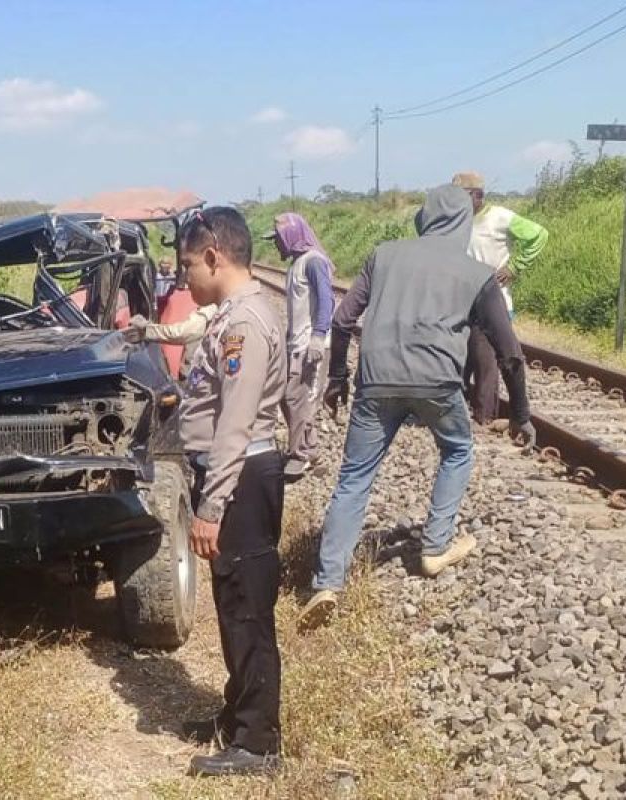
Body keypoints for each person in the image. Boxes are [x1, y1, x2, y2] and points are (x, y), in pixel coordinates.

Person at [298, 185, 536, 632]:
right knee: (458, 449)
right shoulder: (476, 272)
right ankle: (435, 547)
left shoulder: (384, 255)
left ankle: (328, 582)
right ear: (464, 223)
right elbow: (509, 353)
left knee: (354, 477)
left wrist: (337, 378)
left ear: (423, 219)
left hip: (376, 381)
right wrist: (520, 414)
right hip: (438, 385)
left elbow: (344, 319)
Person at [175, 208, 286, 777]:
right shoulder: (233, 316)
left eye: (189, 264)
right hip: (234, 474)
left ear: (214, 255)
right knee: (232, 603)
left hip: (241, 477)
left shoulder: (243, 324)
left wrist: (211, 506)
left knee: (247, 609)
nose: (186, 277)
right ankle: (238, 711)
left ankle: (259, 743)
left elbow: (235, 425)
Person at [452, 171, 549, 425]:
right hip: (461, 300)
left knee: (485, 360)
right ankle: (459, 413)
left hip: (494, 301)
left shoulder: (500, 217)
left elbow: (538, 235)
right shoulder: (454, 221)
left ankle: (484, 418)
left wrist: (514, 267)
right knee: (461, 357)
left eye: (461, 196)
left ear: (478, 196)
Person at [265, 212, 336, 481]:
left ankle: (300, 454)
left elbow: (327, 300)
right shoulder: (297, 264)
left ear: (291, 236)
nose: (276, 245)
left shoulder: (314, 262)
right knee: (289, 396)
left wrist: (319, 336)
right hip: (296, 343)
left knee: (300, 398)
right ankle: (309, 448)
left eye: (279, 239)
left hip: (311, 345)